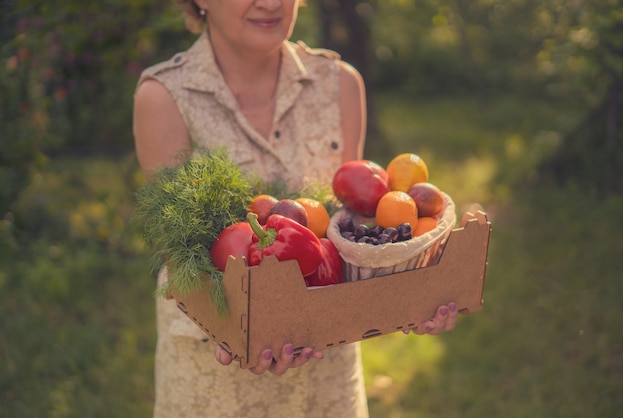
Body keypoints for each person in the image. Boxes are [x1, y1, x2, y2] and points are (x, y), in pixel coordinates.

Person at [133, 1, 458, 417]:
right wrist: (236, 330)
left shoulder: (339, 84)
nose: (270, 3)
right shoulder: (164, 96)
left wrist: (407, 295)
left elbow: (352, 229)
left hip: (326, 383)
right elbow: (181, 257)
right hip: (214, 388)